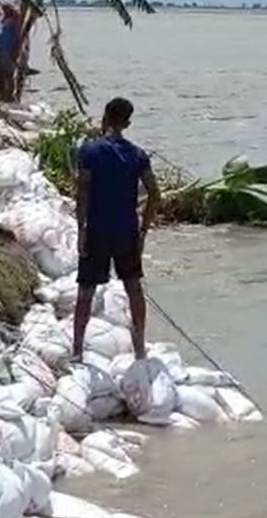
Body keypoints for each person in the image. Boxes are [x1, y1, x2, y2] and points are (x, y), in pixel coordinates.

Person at [71, 98, 161, 362]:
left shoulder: (89, 151)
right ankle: (140, 348)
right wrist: (144, 231)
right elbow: (155, 194)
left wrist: (81, 229)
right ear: (128, 123)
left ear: (104, 117)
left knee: (86, 290)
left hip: (97, 228)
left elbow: (83, 193)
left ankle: (77, 350)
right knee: (133, 287)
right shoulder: (137, 155)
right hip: (126, 231)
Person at [0, 0, 22, 101]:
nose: (4, 10)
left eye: (6, 8)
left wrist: (16, 51)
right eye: (3, 8)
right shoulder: (2, 20)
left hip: (8, 51)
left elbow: (18, 38)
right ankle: (1, 96)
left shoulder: (14, 20)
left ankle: (9, 97)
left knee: (8, 75)